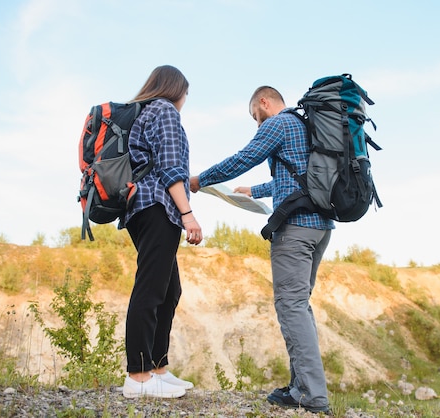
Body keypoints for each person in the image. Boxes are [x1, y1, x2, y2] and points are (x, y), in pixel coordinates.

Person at [190, 86, 334, 413]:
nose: (258, 123)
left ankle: (313, 395)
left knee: (291, 306)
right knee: (300, 305)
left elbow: (244, 157)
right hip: (320, 227)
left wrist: (201, 180)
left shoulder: (277, 123)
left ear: (264, 103)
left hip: (295, 229)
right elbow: (299, 179)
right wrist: (254, 190)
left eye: (256, 116)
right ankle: (301, 388)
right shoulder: (306, 125)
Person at [121, 65, 202, 398]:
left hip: (145, 207)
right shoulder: (165, 111)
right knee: (151, 289)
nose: (186, 99)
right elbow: (170, 169)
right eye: (186, 92)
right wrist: (188, 214)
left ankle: (157, 367)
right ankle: (138, 377)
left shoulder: (146, 112)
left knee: (169, 290)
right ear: (176, 89)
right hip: (157, 207)